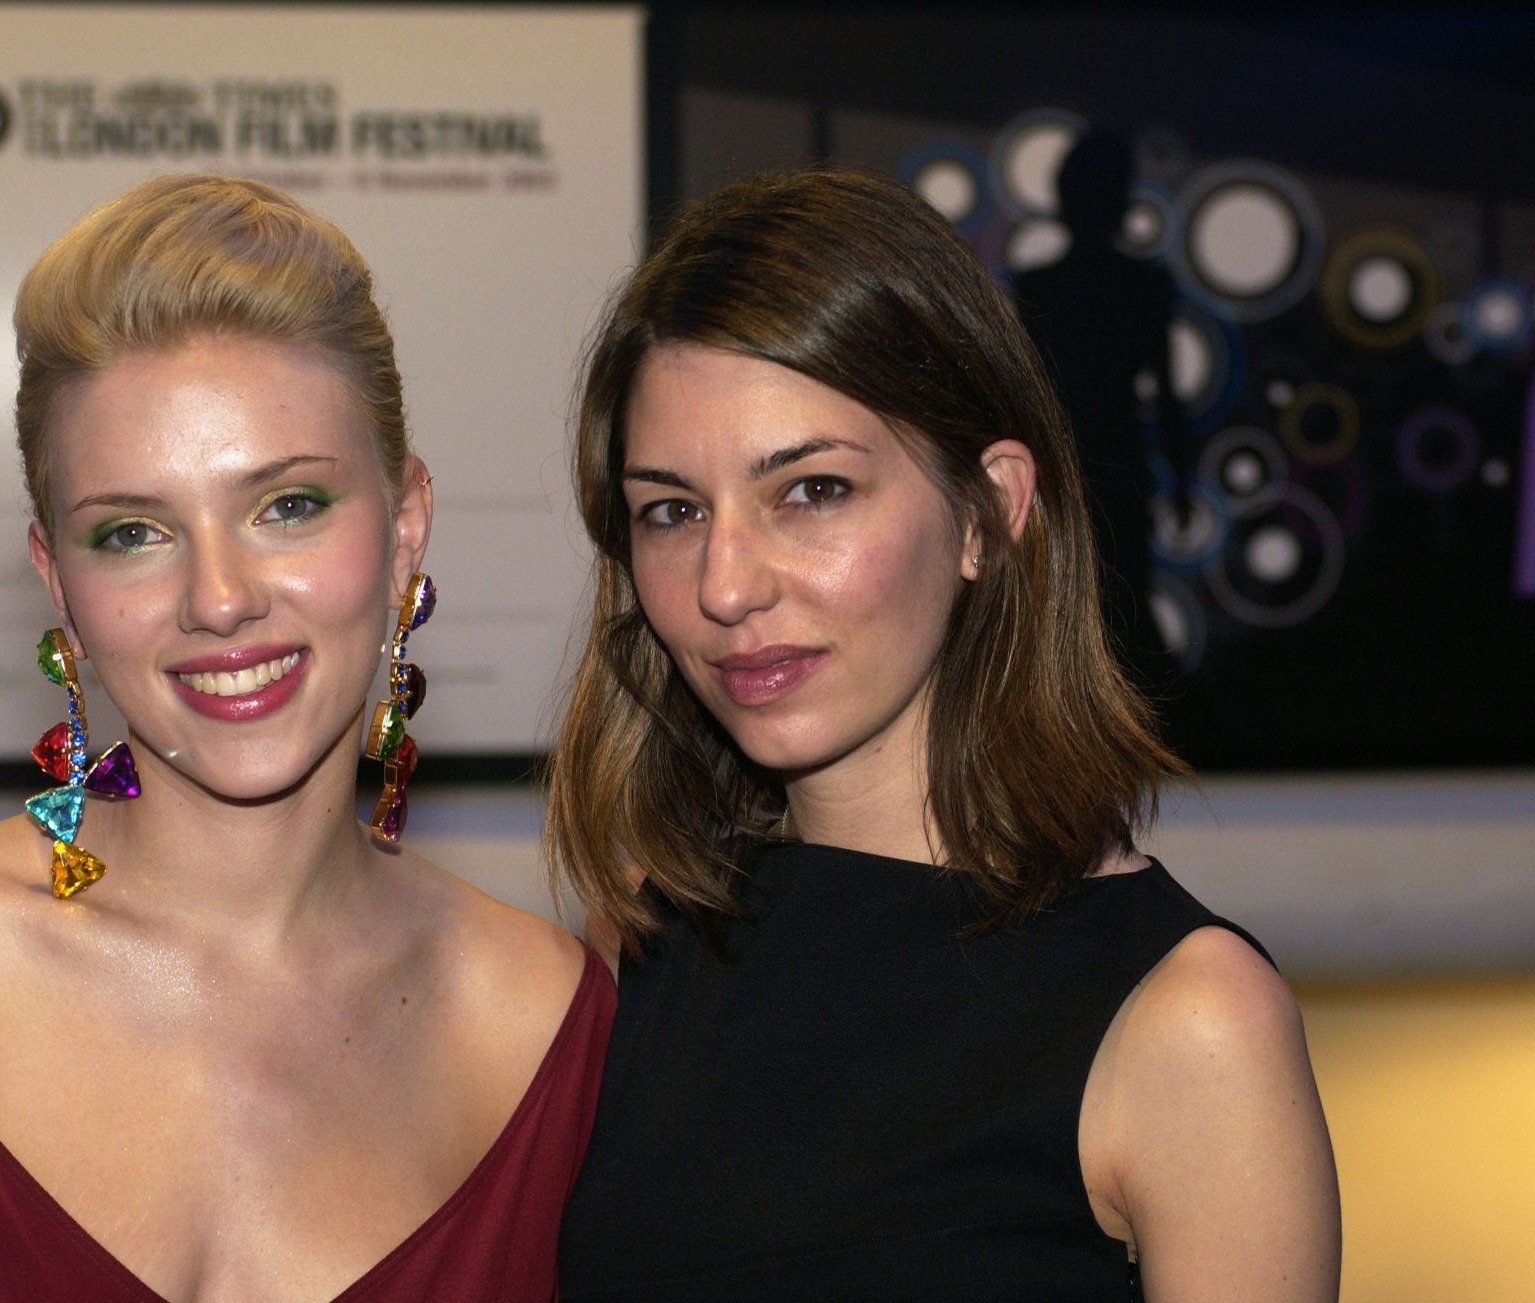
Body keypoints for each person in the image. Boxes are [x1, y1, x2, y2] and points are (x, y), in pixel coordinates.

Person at [0, 174, 611, 1301]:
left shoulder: (557, 1025)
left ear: (404, 524)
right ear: (56, 578)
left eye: (287, 506)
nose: (218, 599)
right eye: (132, 531)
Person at [547, 168, 1338, 1301]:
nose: (723, 586)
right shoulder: (640, 936)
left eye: (810, 491)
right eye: (671, 511)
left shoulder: (1187, 1022)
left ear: (987, 509)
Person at [1011, 129, 1194, 692]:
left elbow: (1023, 399)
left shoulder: (1042, 286)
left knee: (1088, 612)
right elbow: (1164, 393)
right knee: (1121, 607)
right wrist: (1182, 478)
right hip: (1105, 466)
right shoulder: (1141, 284)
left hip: (1070, 472)